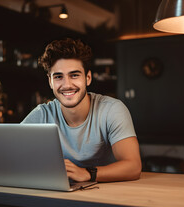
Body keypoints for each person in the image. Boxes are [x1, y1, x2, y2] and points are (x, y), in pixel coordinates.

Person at [21, 38, 141, 182]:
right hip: (60, 194)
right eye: (58, 77)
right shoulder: (42, 114)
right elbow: (10, 156)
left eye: (74, 75)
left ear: (88, 78)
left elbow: (133, 167)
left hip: (108, 194)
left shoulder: (112, 109)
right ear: (50, 81)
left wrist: (87, 173)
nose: (67, 85)